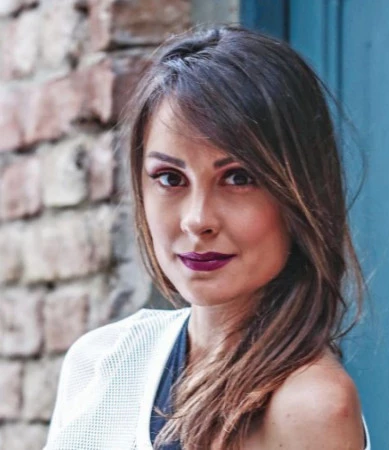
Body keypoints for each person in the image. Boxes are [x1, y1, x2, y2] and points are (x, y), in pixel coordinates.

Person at [45, 26, 371, 450]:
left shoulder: (311, 407)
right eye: (170, 178)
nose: (197, 220)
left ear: (302, 192)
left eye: (238, 178)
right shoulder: (100, 361)